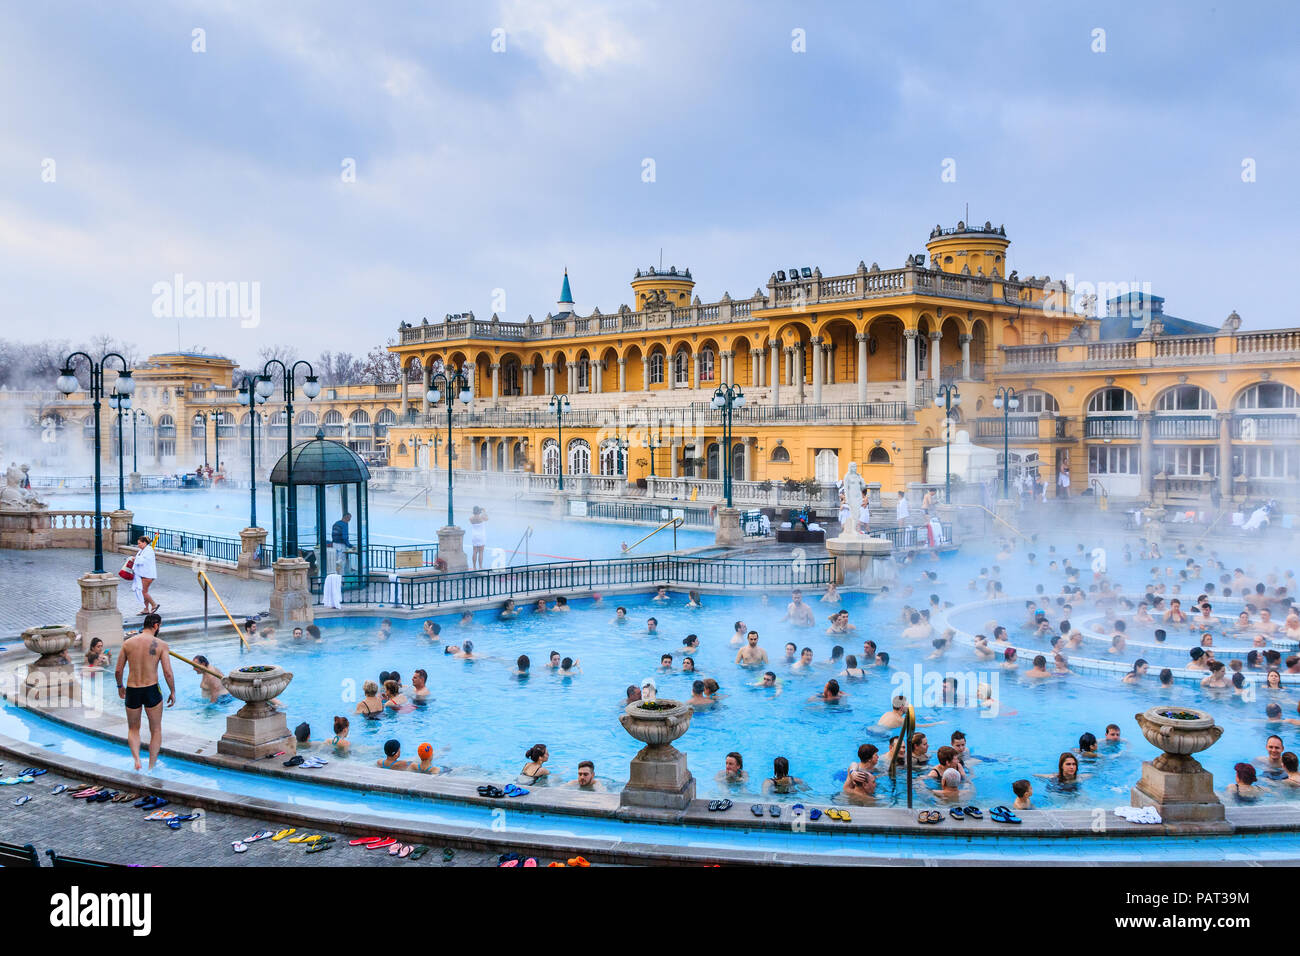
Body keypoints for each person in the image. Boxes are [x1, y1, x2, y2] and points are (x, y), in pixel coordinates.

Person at [115, 613, 175, 771]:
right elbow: (168, 672)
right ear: (156, 625)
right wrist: (172, 691)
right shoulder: (161, 644)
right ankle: (151, 765)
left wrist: (120, 686)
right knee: (155, 729)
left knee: (133, 728)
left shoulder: (128, 643)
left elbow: (118, 670)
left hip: (133, 689)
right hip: (151, 689)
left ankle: (136, 761)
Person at [132, 534, 159, 615]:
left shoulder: (149, 550)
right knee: (144, 591)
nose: (138, 545)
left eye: (139, 543)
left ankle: (154, 605)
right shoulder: (142, 550)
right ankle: (146, 609)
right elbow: (140, 559)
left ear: (144, 543)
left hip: (148, 574)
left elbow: (143, 560)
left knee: (143, 591)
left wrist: (135, 559)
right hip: (144, 574)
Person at [468, 506, 489, 570]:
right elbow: (487, 518)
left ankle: (474, 567)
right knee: (481, 552)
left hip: (474, 536)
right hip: (481, 536)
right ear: (479, 511)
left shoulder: (471, 518)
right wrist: (484, 511)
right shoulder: (481, 518)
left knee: (474, 551)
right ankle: (480, 567)